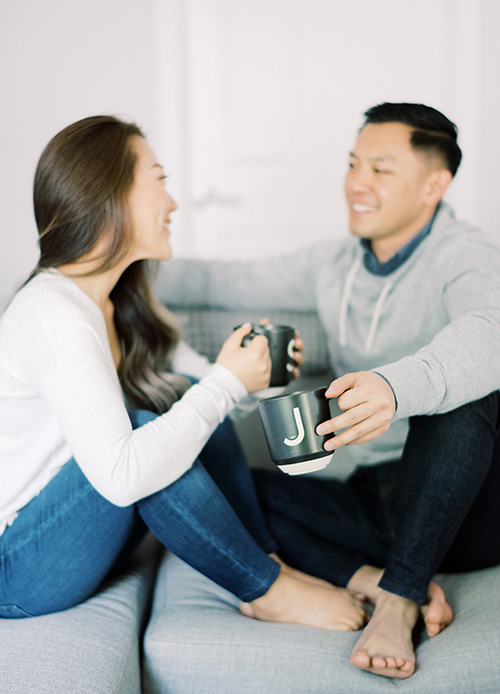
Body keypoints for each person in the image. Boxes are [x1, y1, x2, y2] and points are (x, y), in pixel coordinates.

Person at [155, 102, 500, 679]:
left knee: (466, 393)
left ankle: (399, 598)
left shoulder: (466, 255)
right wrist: (99, 264)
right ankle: (372, 578)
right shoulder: (333, 264)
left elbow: (489, 333)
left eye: (380, 169)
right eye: (352, 163)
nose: (356, 183)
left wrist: (396, 387)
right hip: (375, 499)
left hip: (462, 503)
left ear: (433, 185)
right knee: (225, 489)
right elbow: (216, 280)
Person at [0, 115, 369, 632]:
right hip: (17, 565)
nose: (172, 202)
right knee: (147, 431)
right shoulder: (52, 313)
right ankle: (267, 589)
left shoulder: (118, 300)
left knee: (187, 398)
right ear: (110, 195)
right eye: (160, 180)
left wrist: (254, 371)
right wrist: (226, 381)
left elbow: (211, 402)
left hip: (80, 527)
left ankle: (266, 561)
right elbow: (124, 473)